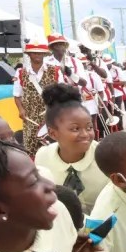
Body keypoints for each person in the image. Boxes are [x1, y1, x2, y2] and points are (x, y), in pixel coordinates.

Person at [34, 84, 109, 213]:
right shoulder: (42, 157)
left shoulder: (106, 156)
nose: (86, 134)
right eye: (75, 129)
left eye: (89, 127)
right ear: (53, 133)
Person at [12, 41, 58, 155]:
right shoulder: (21, 72)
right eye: (34, 53)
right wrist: (21, 110)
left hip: (50, 113)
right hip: (30, 115)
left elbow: (61, 92)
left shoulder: (55, 70)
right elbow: (17, 95)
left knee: (52, 144)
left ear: (44, 54)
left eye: (40, 53)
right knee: (30, 145)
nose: (37, 55)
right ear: (29, 54)